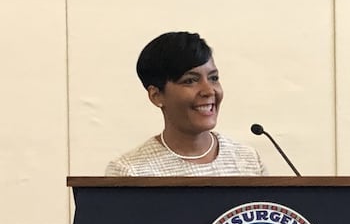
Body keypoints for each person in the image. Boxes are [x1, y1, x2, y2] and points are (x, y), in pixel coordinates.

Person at [106, 31, 267, 176]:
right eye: (190, 81)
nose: (209, 91)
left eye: (213, 78)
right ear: (156, 96)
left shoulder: (248, 161)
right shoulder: (129, 171)